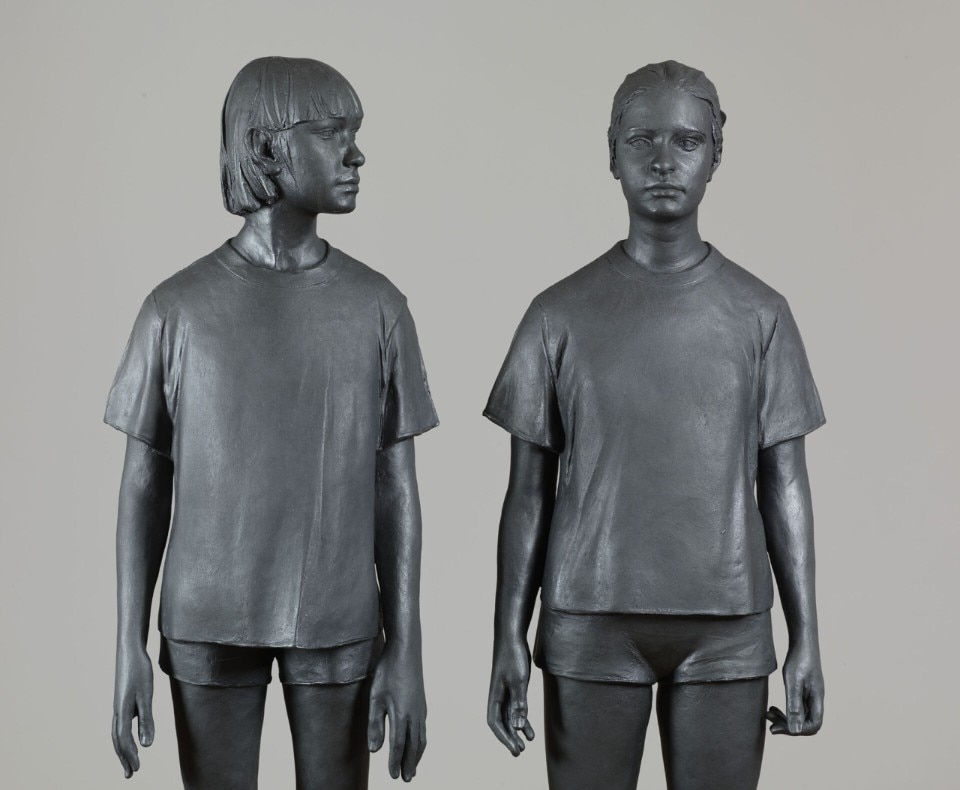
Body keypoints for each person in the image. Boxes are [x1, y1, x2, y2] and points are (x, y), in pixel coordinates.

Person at [484, 60, 825, 790]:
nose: (664, 161)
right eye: (641, 140)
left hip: (727, 624)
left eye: (686, 140)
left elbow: (786, 487)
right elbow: (527, 494)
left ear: (716, 154)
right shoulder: (557, 316)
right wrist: (507, 635)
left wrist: (807, 638)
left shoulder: (761, 316)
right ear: (612, 153)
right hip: (588, 616)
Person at [105, 57, 437, 789]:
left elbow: (396, 489)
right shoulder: (175, 311)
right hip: (206, 617)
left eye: (354, 133)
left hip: (339, 616)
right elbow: (142, 486)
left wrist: (407, 647)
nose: (356, 154)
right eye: (332, 133)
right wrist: (128, 644)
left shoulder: (379, 309)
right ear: (265, 148)